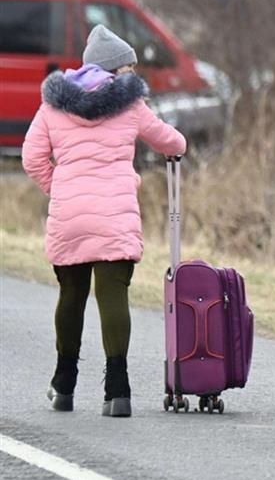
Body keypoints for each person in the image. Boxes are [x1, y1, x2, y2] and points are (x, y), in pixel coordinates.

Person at [22, 24, 187, 417]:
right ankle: (119, 391)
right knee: (112, 297)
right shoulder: (130, 105)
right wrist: (176, 147)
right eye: (129, 66)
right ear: (115, 70)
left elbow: (31, 158)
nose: (133, 72)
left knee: (71, 297)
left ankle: (63, 386)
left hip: (69, 216)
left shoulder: (53, 105)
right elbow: (172, 142)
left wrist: (60, 188)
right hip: (114, 216)